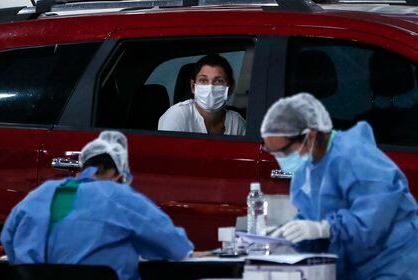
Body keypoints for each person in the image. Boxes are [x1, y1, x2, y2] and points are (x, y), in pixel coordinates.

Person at [261, 93, 418, 279]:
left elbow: (372, 221)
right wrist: (288, 235)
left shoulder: (355, 156)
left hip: (393, 263)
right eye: (273, 152)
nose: (281, 159)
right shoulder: (307, 171)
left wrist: (324, 228)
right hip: (356, 269)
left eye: (284, 151)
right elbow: (313, 225)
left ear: (310, 137)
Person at [0, 131, 194, 280]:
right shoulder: (119, 195)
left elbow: (8, 239)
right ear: (117, 175)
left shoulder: (39, 194)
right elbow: (176, 248)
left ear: (81, 170)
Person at [158, 54, 246, 135]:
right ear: (193, 87)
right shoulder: (176, 116)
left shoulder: (236, 123)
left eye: (218, 81)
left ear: (230, 88)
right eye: (203, 81)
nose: (210, 88)